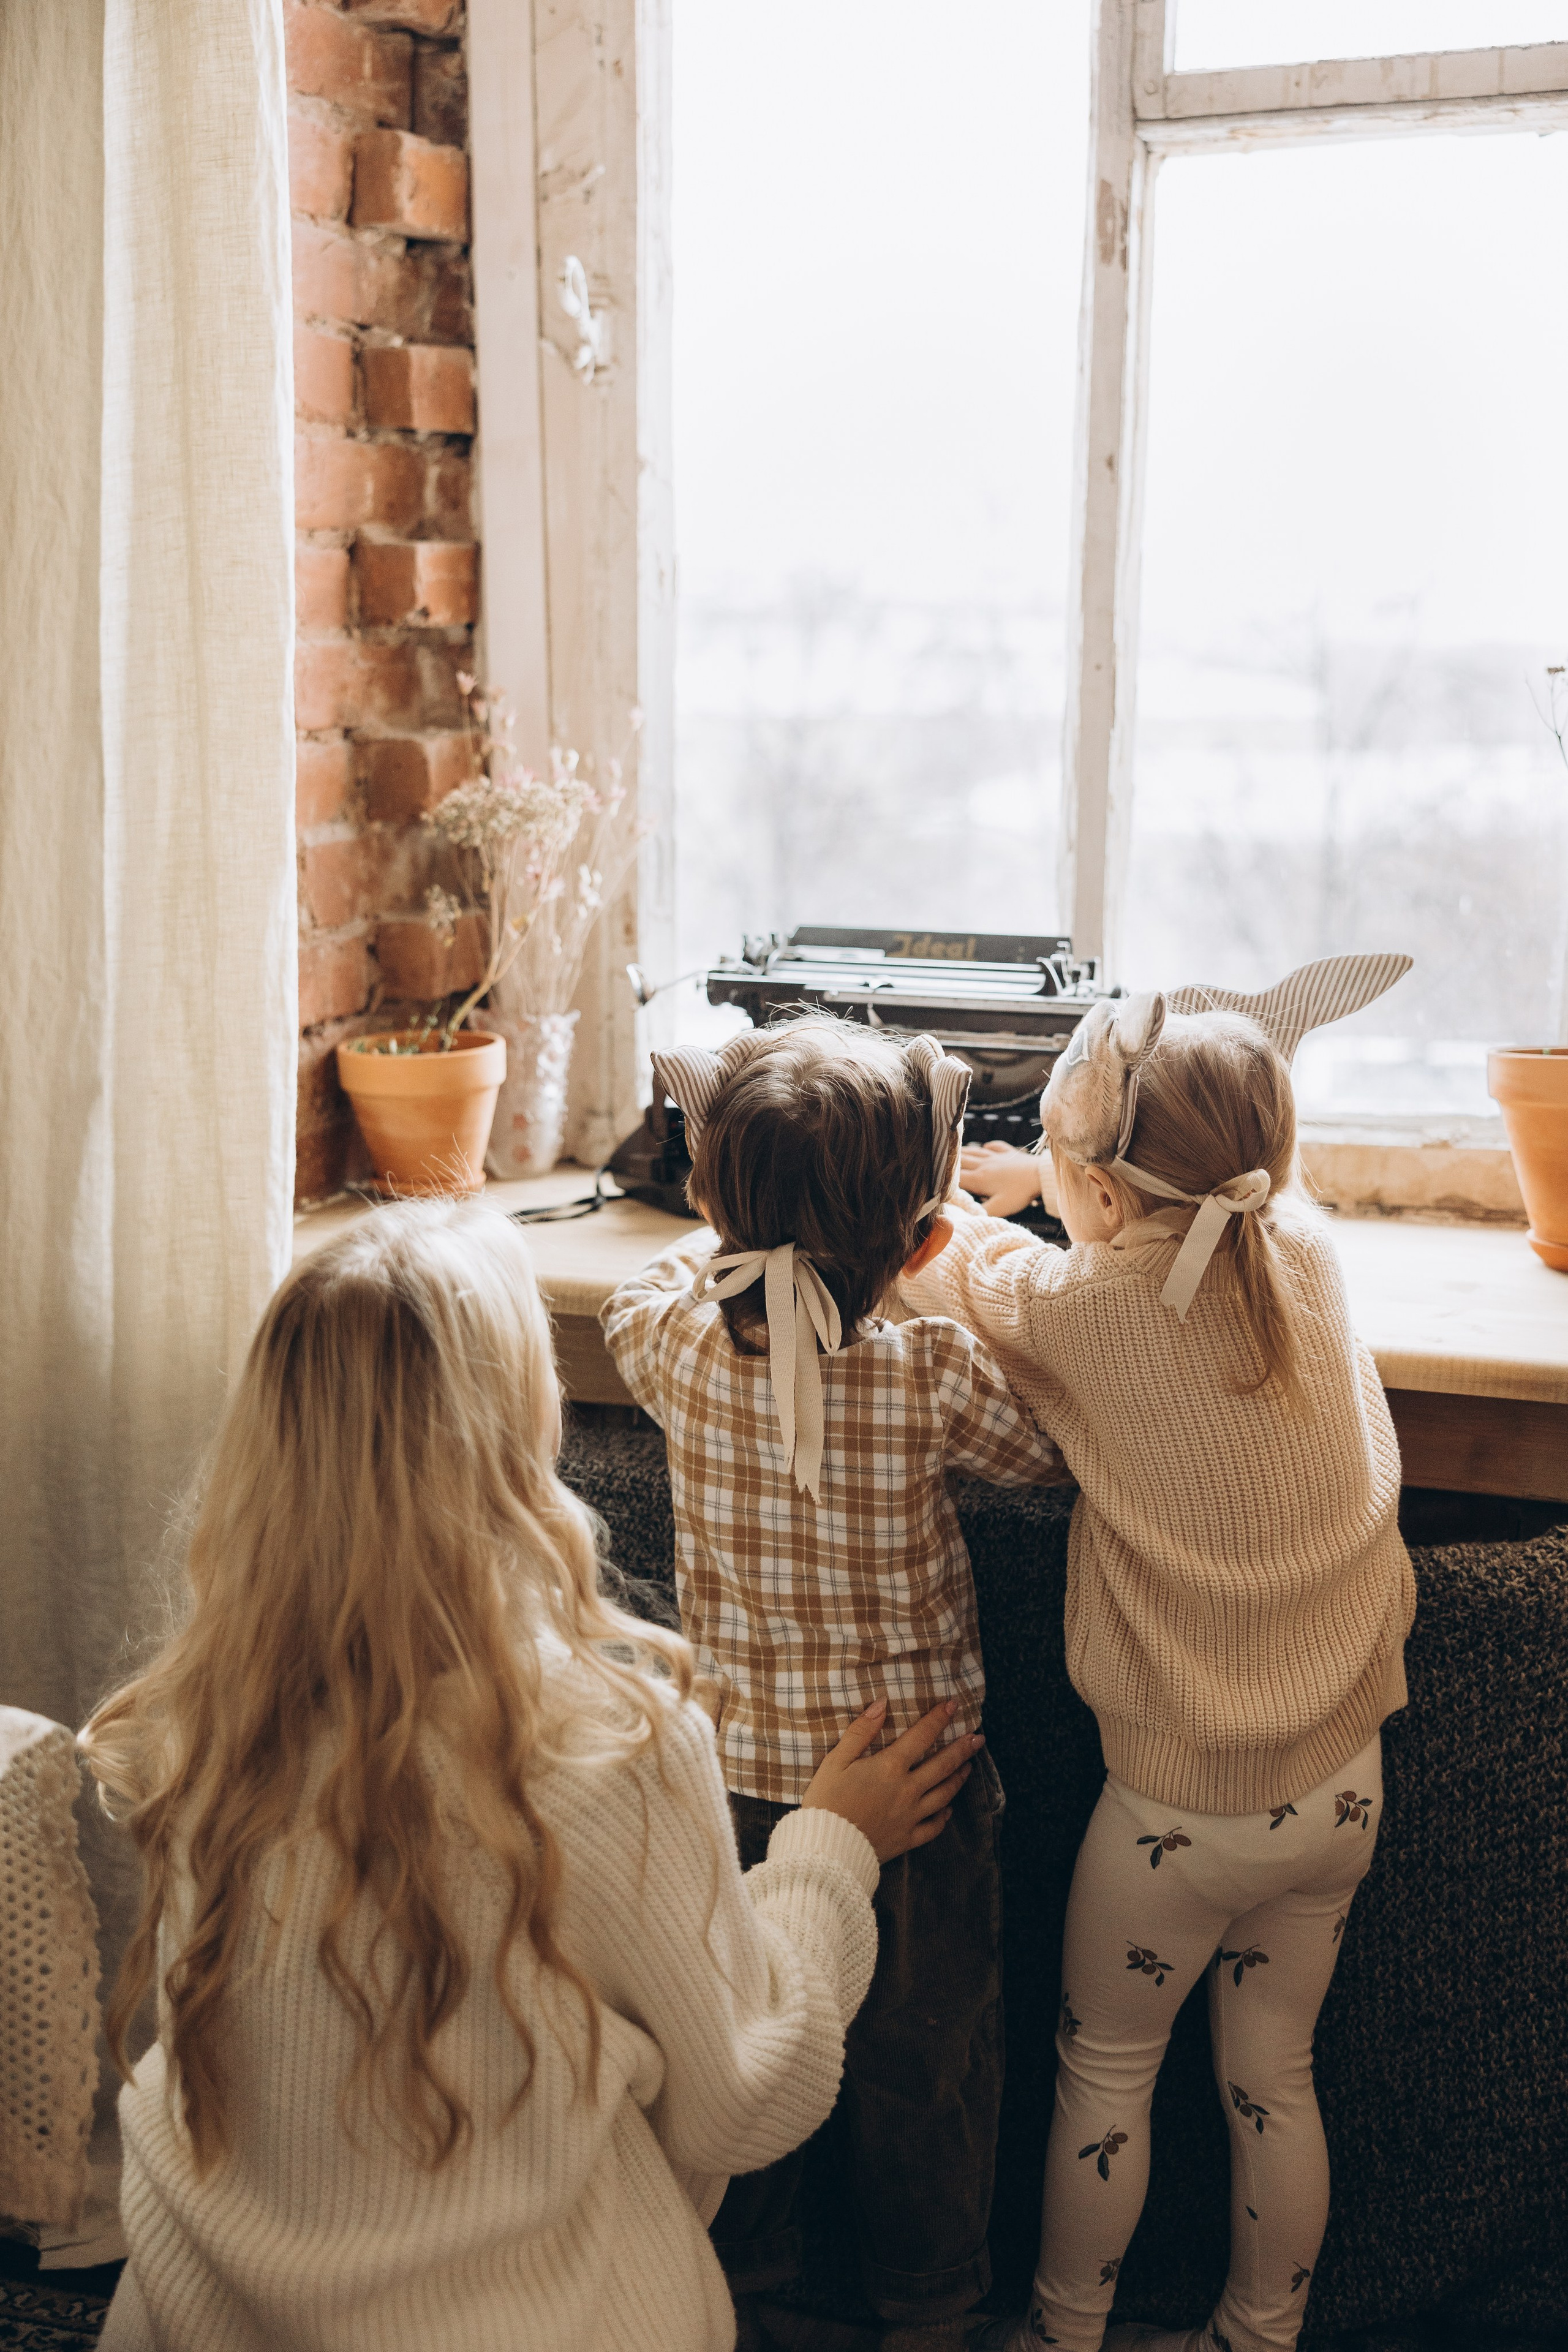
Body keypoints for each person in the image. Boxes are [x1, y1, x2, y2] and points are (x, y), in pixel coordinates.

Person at [81, 1201, 971, 2352]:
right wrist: (827, 1850)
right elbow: (747, 2096)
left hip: (205, 2307)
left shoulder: (197, 1720)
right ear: (511, 1431)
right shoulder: (604, 1751)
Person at [903, 992, 1416, 2352]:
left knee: (1105, 2081)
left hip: (1176, 1818)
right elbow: (1178, 1213)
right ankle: (1258, 2336)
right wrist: (1059, 1182)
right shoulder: (1301, 1246)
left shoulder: (1080, 1304)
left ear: (1094, 1193)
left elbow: (943, 1262)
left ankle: (1064, 2336)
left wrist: (993, 1199)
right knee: (1273, 2080)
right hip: (1338, 1790)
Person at [600, 1017, 1065, 2351]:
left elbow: (652, 1290)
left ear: (703, 1201)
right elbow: (1045, 1460)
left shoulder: (674, 1350)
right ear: (921, 1246)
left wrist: (731, 1231)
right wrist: (946, 1258)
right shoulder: (927, 1372)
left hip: (736, 1788)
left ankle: (740, 2284)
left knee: (746, 2051)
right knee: (927, 2065)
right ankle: (928, 2307)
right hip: (913, 1787)